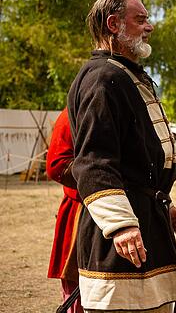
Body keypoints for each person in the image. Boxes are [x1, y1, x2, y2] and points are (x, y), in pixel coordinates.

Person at [67, 0, 176, 312]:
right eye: (141, 19)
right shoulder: (102, 77)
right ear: (113, 24)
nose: (149, 26)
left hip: (146, 219)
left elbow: (138, 158)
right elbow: (94, 160)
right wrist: (121, 223)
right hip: (119, 235)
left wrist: (160, 199)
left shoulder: (125, 74)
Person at [47, 109, 83, 313]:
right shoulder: (72, 114)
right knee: (78, 291)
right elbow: (57, 165)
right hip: (81, 210)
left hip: (123, 210)